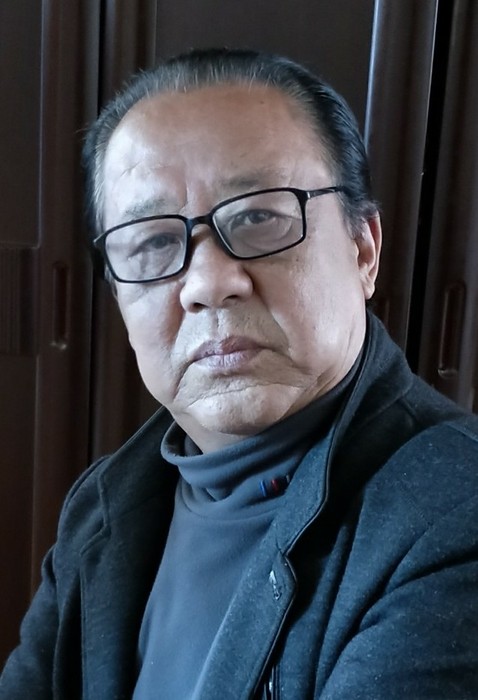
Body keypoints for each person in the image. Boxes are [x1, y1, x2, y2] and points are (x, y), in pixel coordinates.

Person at [1, 47, 478, 700]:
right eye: (154, 242)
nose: (208, 283)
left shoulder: (455, 514)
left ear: (363, 249)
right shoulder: (102, 507)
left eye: (258, 217)